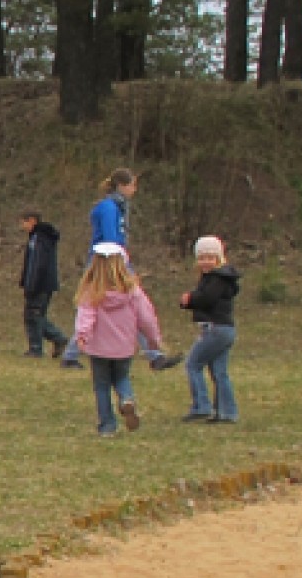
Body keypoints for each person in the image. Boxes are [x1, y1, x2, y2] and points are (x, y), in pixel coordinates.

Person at [71, 243, 164, 438]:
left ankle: (107, 426)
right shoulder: (133, 292)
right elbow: (147, 318)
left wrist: (82, 336)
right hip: (124, 346)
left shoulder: (91, 292)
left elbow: (85, 316)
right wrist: (153, 340)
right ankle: (126, 399)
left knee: (102, 385)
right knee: (122, 377)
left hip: (99, 348)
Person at [62, 169, 147, 367]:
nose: (134, 190)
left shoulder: (117, 207)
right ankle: (154, 352)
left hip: (113, 258)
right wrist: (121, 262)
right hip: (107, 260)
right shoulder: (109, 208)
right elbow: (111, 239)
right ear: (122, 185)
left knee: (103, 302)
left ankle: (154, 353)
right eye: (133, 185)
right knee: (129, 299)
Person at [153, 235, 240, 424]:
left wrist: (189, 299)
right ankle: (227, 412)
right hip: (225, 329)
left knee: (193, 364)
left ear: (219, 258)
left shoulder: (217, 278)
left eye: (210, 257)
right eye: (202, 258)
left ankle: (202, 406)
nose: (205, 262)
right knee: (219, 371)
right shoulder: (217, 278)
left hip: (215, 329)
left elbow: (207, 299)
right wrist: (190, 302)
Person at [18, 209, 67, 357]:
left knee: (35, 315)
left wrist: (32, 284)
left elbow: (38, 264)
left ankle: (38, 347)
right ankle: (54, 341)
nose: (22, 226)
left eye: (24, 222)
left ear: (32, 220)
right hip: (38, 283)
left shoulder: (41, 239)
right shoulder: (36, 238)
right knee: (34, 316)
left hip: (40, 284)